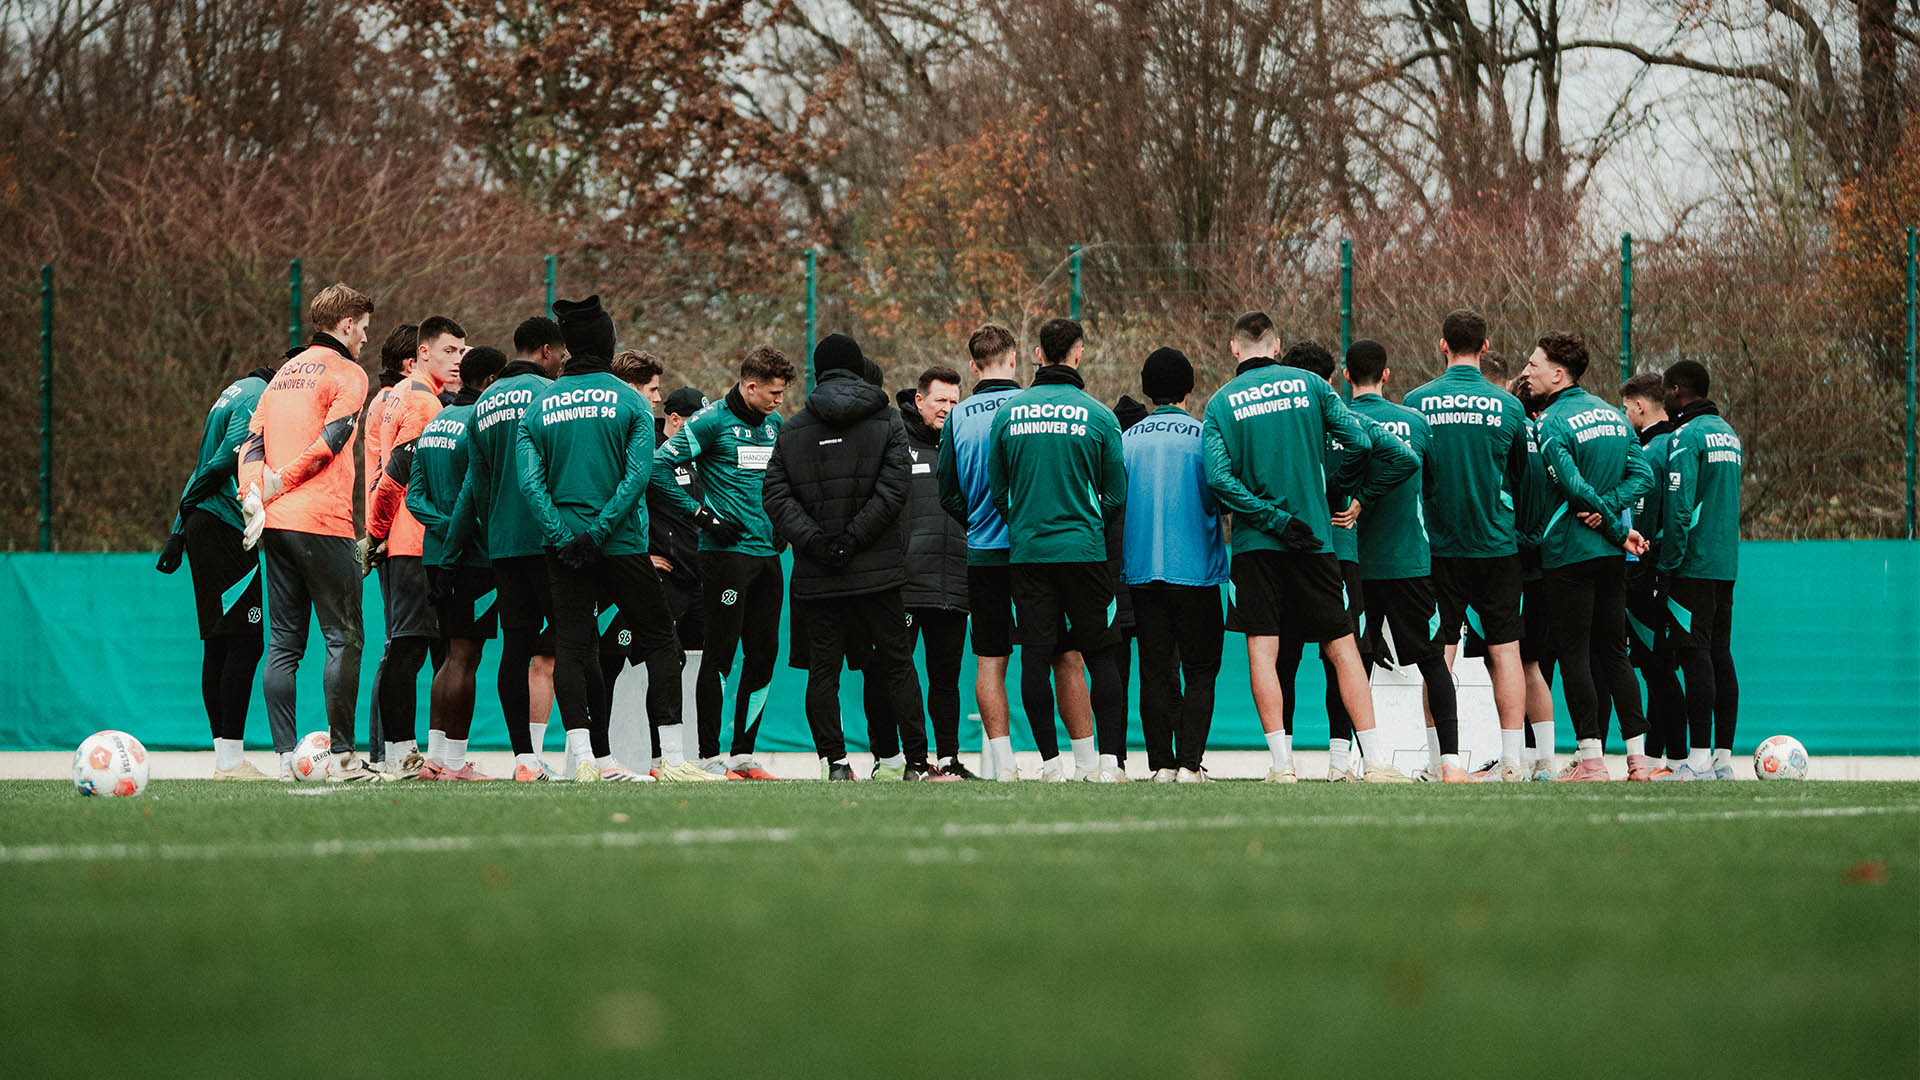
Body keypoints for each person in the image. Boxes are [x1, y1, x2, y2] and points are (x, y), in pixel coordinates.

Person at [1203, 314, 1409, 783]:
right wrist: (1333, 488)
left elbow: (1219, 479)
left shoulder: (1219, 404)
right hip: (1315, 540)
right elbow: (1358, 440)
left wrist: (1271, 517)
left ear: (1235, 350)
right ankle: (1374, 761)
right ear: (1276, 346)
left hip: (1258, 544)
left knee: (1264, 651)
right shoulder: (1311, 386)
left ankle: (1282, 765)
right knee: (1343, 648)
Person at [517, 294, 679, 782]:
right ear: (608, 344)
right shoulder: (631, 400)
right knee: (659, 640)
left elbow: (531, 482)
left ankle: (585, 759)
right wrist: (601, 533)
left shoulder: (539, 403)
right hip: (623, 543)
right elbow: (636, 478)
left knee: (571, 647)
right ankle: (669, 761)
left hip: (563, 547)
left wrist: (564, 536)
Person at [236, 282, 384, 781]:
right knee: (344, 638)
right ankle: (343, 758)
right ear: (346, 325)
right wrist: (282, 480)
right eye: (364, 328)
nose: (366, 338)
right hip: (322, 522)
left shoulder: (280, 377)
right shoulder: (348, 372)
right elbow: (332, 439)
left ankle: (284, 759)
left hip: (273, 523)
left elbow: (250, 445)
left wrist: (255, 494)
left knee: (282, 643)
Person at [762, 335, 928, 780]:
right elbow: (894, 490)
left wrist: (818, 543)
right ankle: (914, 763)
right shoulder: (890, 421)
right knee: (897, 664)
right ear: (858, 368)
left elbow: (775, 496)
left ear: (818, 371)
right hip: (878, 572)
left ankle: (834, 763)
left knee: (824, 670)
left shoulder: (792, 428)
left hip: (818, 573)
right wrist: (854, 539)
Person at [938, 324, 1093, 781]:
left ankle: (1004, 765)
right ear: (1015, 360)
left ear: (972, 366)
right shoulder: (1031, 407)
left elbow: (947, 494)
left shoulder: (960, 416)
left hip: (984, 553)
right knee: (1065, 655)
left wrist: (978, 523)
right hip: (1038, 551)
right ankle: (1083, 761)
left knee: (990, 659)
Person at [989, 318, 1131, 783]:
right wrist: (1087, 521)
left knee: (1035, 656)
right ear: (1078, 353)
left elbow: (998, 491)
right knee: (1101, 655)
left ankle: (1052, 765)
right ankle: (1109, 764)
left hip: (1029, 553)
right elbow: (1116, 494)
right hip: (1085, 553)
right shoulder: (1100, 415)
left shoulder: (1008, 415)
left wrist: (1027, 523)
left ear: (1036, 355)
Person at [1269, 341, 1414, 781]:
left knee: (1285, 659)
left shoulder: (1278, 427)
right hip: (1338, 554)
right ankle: (1339, 763)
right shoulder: (1343, 420)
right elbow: (1402, 457)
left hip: (1285, 552)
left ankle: (1284, 761)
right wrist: (1354, 498)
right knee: (1342, 655)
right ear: (1329, 382)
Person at [1401, 309, 1531, 776]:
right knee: (1506, 650)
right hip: (1498, 547)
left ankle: (1441, 763)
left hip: (1437, 550)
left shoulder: (1415, 402)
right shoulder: (1510, 407)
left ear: (1442, 345)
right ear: (1486, 346)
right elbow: (1522, 477)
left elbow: (1410, 474)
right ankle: (1514, 762)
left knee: (1439, 656)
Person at [1521, 331, 1655, 782]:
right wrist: (1615, 525)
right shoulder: (1613, 416)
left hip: (1568, 553)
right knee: (1615, 653)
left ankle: (1592, 761)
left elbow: (1572, 487)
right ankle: (1639, 760)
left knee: (1576, 654)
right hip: (1610, 557)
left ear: (1558, 375)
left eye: (1534, 366)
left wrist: (1612, 525)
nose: (1528, 372)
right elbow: (1643, 476)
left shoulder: (1551, 422)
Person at [655, 346, 793, 780]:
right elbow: (660, 466)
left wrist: (785, 525)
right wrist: (704, 517)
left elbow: (787, 481)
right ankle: (711, 754)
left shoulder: (775, 426)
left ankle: (742, 756)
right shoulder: (711, 421)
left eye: (782, 393)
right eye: (773, 393)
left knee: (764, 653)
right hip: (725, 556)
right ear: (749, 386)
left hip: (767, 557)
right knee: (720, 654)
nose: (779, 401)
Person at [440, 317, 567, 781]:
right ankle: (584, 754)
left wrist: (451, 555)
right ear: (547, 352)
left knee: (514, 650)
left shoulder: (483, 403)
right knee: (571, 644)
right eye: (561, 354)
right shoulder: (551, 395)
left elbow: (473, 487)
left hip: (503, 547)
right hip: (550, 540)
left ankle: (524, 760)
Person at [1344, 341, 1477, 781]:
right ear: (1386, 375)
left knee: (1351, 660)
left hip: (1354, 562)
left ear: (1346, 376)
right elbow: (1433, 487)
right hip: (1410, 562)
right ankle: (1451, 762)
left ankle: (1347, 762)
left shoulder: (1338, 423)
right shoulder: (1415, 423)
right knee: (1432, 659)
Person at [158, 361, 280, 780]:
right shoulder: (258, 397)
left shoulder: (232, 391)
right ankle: (230, 761)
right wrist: (185, 511)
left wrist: (179, 531)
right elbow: (226, 460)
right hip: (224, 525)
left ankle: (225, 758)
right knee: (245, 642)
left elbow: (203, 464)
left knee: (220, 644)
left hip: (203, 524)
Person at [603, 353, 719, 782]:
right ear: (674, 419)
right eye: (695, 421)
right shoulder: (643, 447)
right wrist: (644, 555)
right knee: (613, 657)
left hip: (697, 578)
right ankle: (597, 754)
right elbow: (629, 503)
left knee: (692, 662)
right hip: (654, 573)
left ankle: (695, 756)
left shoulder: (702, 456)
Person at [366, 314, 466, 778]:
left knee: (408, 648)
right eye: (450, 351)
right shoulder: (425, 403)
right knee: (409, 648)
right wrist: (377, 531)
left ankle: (397, 752)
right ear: (422, 352)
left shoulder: (395, 395)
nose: (458, 361)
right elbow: (396, 475)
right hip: (413, 540)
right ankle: (400, 753)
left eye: (463, 353)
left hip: (402, 540)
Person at [1121, 348, 1227, 782]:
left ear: (1147, 389)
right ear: (1189, 387)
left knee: (1154, 669)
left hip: (1141, 572)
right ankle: (1189, 763)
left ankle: (1161, 764)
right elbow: (1222, 495)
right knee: (1200, 670)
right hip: (1196, 573)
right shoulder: (1204, 436)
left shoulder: (1125, 441)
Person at [406, 344, 505, 781]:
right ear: (488, 382)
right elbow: (472, 495)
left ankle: (436, 758)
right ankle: (456, 763)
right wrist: (458, 536)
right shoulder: (479, 425)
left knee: (448, 655)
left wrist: (442, 531)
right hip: (473, 557)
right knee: (464, 656)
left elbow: (415, 497)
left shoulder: (435, 423)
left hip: (435, 554)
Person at [1655, 359, 1744, 782]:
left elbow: (1680, 509)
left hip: (1693, 563)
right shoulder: (1729, 433)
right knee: (1720, 654)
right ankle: (1722, 759)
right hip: (1725, 562)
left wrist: (1666, 566)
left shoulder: (1685, 436)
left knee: (1694, 655)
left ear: (1675, 391)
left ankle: (1696, 759)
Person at [898, 366, 976, 778]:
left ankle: (949, 758)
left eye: (953, 401)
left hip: (953, 582)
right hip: (907, 585)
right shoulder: (896, 444)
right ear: (919, 401)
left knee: (946, 679)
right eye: (940, 400)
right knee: (900, 675)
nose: (947, 408)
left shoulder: (964, 445)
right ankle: (903, 760)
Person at [1620, 372, 1686, 775]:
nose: (1625, 415)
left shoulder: (1651, 451)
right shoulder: (1675, 443)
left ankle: (1676, 759)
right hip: (1674, 570)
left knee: (1658, 670)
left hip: (1648, 572)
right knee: (1659, 666)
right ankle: (1663, 756)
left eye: (1626, 408)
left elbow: (1643, 521)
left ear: (1640, 407)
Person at [360, 323, 416, 761]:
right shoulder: (404, 400)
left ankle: (387, 749)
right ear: (411, 362)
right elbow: (397, 472)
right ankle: (388, 750)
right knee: (400, 645)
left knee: (397, 643)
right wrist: (379, 533)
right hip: (397, 532)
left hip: (385, 530)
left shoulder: (379, 400)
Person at [1508, 375, 1560, 780]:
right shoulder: (1551, 433)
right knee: (1536, 663)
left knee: (1510, 659)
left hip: (1512, 561)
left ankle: (1519, 758)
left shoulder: (1509, 432)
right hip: (1550, 560)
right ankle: (1542, 759)